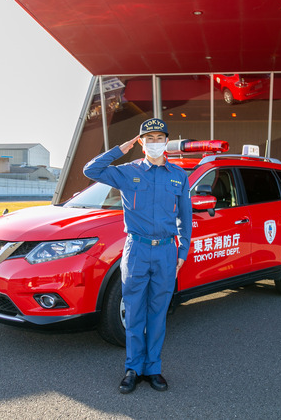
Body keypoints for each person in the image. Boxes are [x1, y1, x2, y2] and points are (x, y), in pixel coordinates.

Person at [83, 118, 192, 394]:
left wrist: (183, 251)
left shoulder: (178, 175)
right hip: (136, 250)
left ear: (166, 141)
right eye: (149, 138)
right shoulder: (125, 172)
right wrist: (121, 149)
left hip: (167, 251)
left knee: (158, 312)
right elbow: (90, 169)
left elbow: (185, 217)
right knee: (133, 312)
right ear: (141, 143)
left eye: (159, 137)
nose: (155, 142)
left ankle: (153, 368)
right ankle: (132, 368)